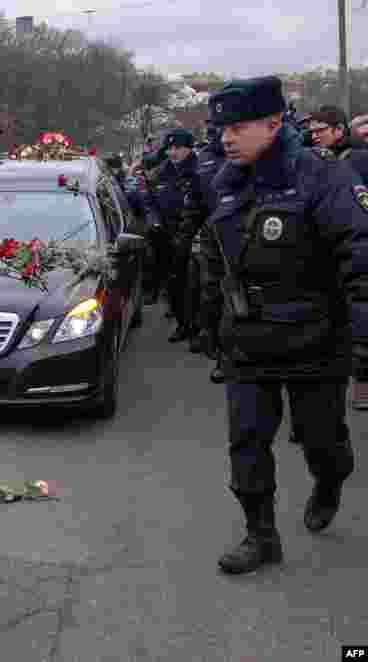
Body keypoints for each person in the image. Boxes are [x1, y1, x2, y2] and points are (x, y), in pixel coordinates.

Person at [204, 77, 368, 574]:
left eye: (237, 127)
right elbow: (215, 256)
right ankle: (261, 536)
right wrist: (214, 322)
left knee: (322, 439)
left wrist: (363, 340)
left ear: (275, 123)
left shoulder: (321, 176)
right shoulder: (227, 182)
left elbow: (360, 257)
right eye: (220, 128)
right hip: (248, 343)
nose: (226, 138)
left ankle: (330, 479)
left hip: (314, 339)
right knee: (247, 440)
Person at [307, 105, 368, 410]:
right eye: (312, 131)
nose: (314, 136)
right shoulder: (314, 161)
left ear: (340, 130)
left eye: (321, 131)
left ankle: (361, 381)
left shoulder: (359, 159)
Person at [143, 128, 209, 341]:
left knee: (197, 285)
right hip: (167, 235)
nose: (172, 153)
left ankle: (201, 329)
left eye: (177, 148)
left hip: (195, 235)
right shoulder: (159, 173)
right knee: (174, 283)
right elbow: (148, 201)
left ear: (189, 148)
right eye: (169, 148)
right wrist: (153, 220)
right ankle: (183, 324)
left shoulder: (202, 170)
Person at [194, 121, 228, 384]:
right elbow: (196, 199)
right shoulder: (204, 158)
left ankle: (227, 359)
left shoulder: (254, 154)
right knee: (212, 293)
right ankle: (215, 342)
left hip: (248, 232)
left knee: (238, 297)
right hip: (212, 234)